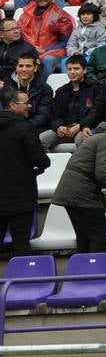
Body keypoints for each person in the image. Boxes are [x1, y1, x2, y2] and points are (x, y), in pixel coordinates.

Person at [52, 114, 106, 254]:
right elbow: (104, 176)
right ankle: (96, 272)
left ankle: (83, 272)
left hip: (72, 189)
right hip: (82, 192)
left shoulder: (103, 137)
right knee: (100, 235)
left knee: (85, 238)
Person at [0, 88, 49, 256]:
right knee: (21, 243)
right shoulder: (25, 128)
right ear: (13, 105)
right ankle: (22, 282)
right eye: (26, 103)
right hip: (20, 197)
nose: (29, 106)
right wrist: (41, 166)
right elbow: (40, 159)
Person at [41, 54, 106, 152]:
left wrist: (80, 126)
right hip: (65, 128)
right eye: (69, 69)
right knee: (39, 140)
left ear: (84, 70)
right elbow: (54, 114)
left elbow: (97, 112)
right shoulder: (61, 91)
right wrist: (59, 126)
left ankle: (79, 167)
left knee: (82, 140)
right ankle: (50, 166)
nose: (72, 72)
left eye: (76, 69)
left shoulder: (96, 88)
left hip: (85, 127)